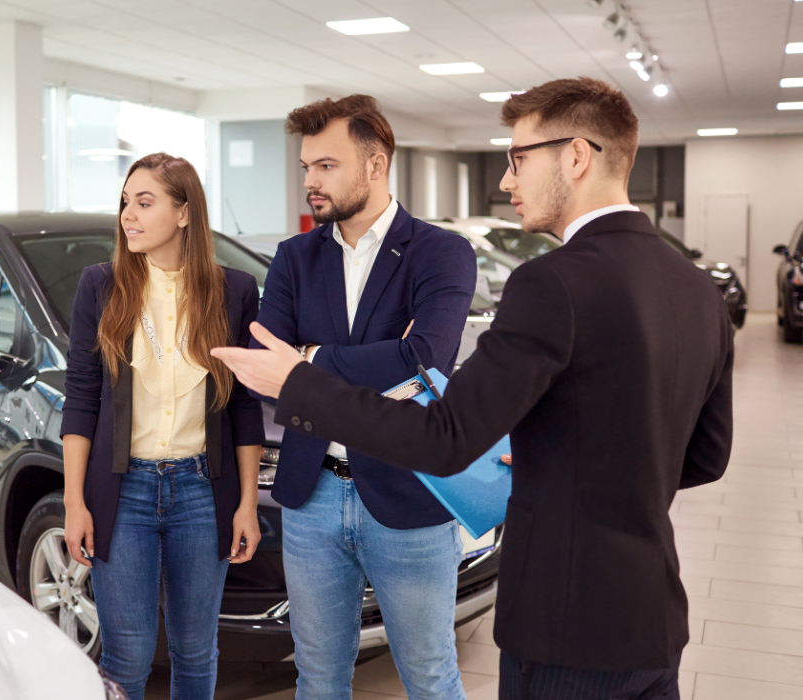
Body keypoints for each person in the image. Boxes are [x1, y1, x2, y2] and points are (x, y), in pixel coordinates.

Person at [212, 77, 733, 700]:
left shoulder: (549, 282)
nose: (507, 180)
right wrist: (558, 460)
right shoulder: (697, 286)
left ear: (576, 156)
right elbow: (706, 456)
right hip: (653, 616)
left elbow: (441, 426)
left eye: (518, 158)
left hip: (565, 618)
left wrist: (300, 375)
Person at [252, 95, 477, 700]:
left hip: (408, 492)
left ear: (376, 165)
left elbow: (423, 360)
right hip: (312, 495)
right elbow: (262, 365)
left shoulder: (439, 251)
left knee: (430, 676)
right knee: (318, 677)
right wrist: (379, 358)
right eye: (306, 167)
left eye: (327, 165)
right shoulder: (296, 257)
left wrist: (307, 359)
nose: (311, 181)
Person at [60, 152, 265, 700]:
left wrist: (247, 503)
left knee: (196, 651)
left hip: (202, 491)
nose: (128, 215)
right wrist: (74, 502)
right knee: (126, 655)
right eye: (125, 202)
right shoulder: (100, 286)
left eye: (144, 202)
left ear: (184, 212)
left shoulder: (234, 290)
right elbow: (81, 398)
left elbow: (244, 407)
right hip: (122, 491)